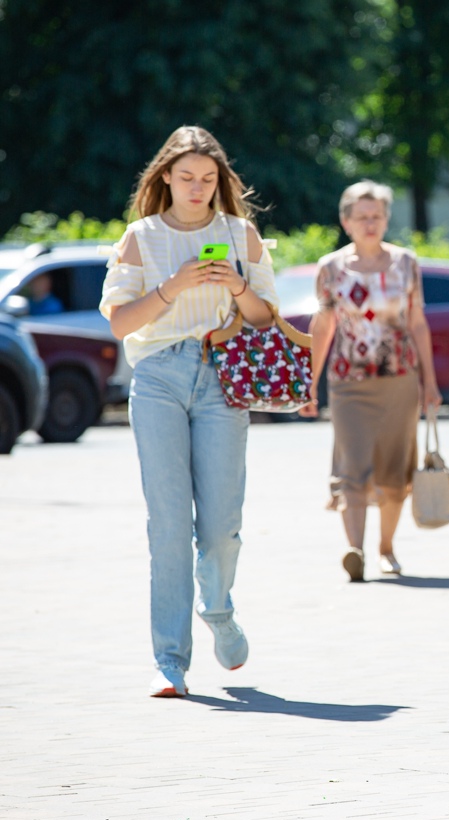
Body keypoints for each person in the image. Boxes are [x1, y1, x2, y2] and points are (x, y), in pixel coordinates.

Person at [99, 125, 280, 698]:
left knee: (222, 526)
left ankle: (218, 609)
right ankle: (170, 662)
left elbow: (264, 319)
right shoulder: (139, 237)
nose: (197, 188)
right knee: (169, 526)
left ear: (221, 181)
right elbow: (121, 323)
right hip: (158, 377)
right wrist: (173, 286)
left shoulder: (240, 233)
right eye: (186, 178)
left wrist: (238, 286)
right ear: (166, 178)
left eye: (208, 178)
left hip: (223, 375)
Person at [298, 182, 442, 580]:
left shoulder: (406, 263)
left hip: (400, 380)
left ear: (386, 219)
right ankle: (354, 551)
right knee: (353, 467)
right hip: (347, 383)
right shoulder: (330, 268)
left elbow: (418, 322)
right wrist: (308, 384)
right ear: (346, 222)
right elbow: (323, 326)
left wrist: (429, 383)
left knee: (395, 470)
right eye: (361, 216)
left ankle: (386, 548)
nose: (369, 223)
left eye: (376, 215)